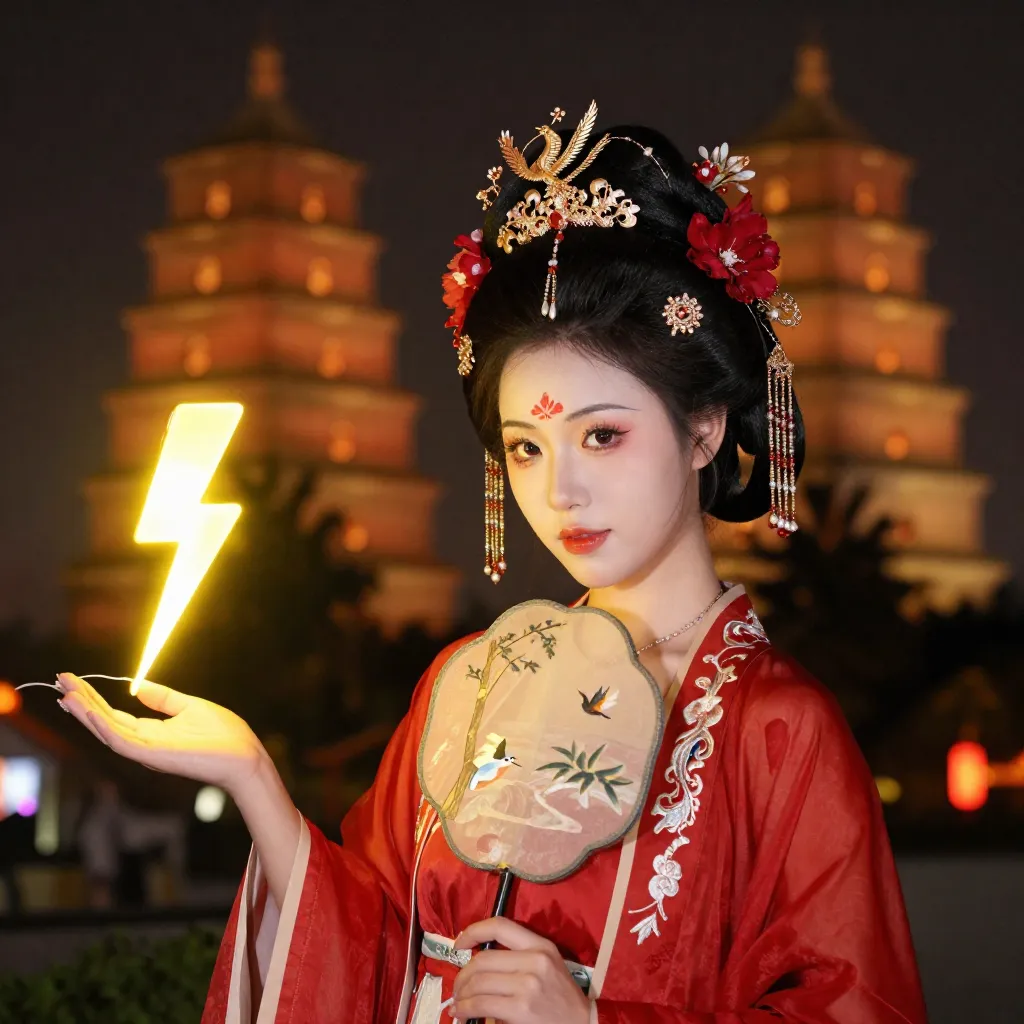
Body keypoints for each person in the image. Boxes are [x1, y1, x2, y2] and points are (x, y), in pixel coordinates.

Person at [56, 104, 928, 1023]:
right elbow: (375, 942)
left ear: (703, 428)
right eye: (525, 449)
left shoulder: (779, 733)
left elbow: (851, 1006)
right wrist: (251, 778)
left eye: (603, 435)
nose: (562, 492)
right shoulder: (464, 691)